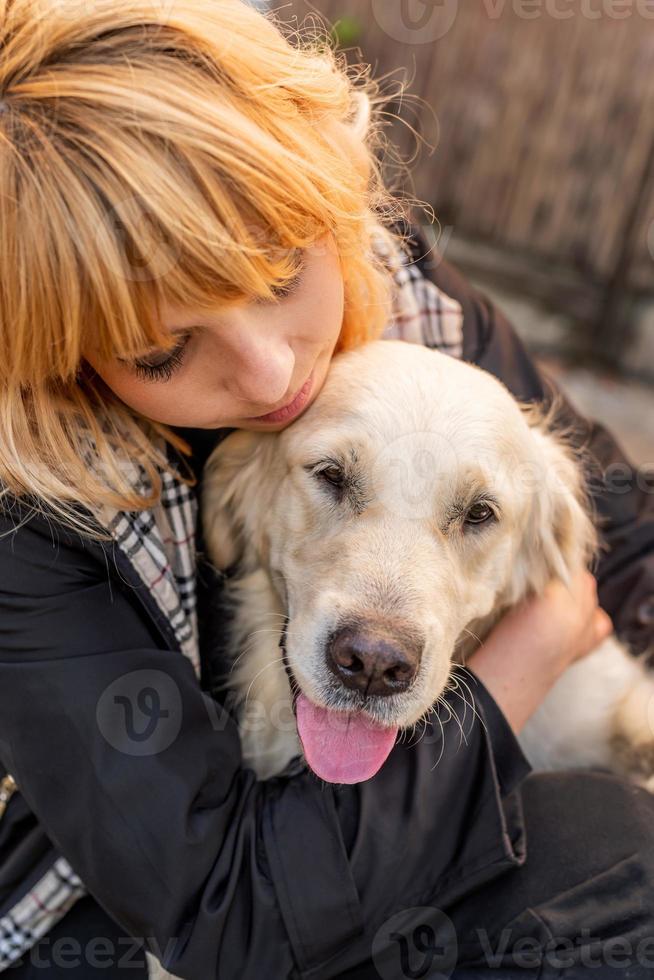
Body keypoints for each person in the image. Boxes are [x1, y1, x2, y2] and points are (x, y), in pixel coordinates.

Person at [1, 1, 653, 977]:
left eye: (275, 274)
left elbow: (627, 531)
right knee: (608, 860)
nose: (269, 376)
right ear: (56, 355)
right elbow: (231, 916)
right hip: (136, 911)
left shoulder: (410, 296)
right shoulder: (29, 525)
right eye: (162, 348)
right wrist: (528, 654)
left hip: (367, 843)